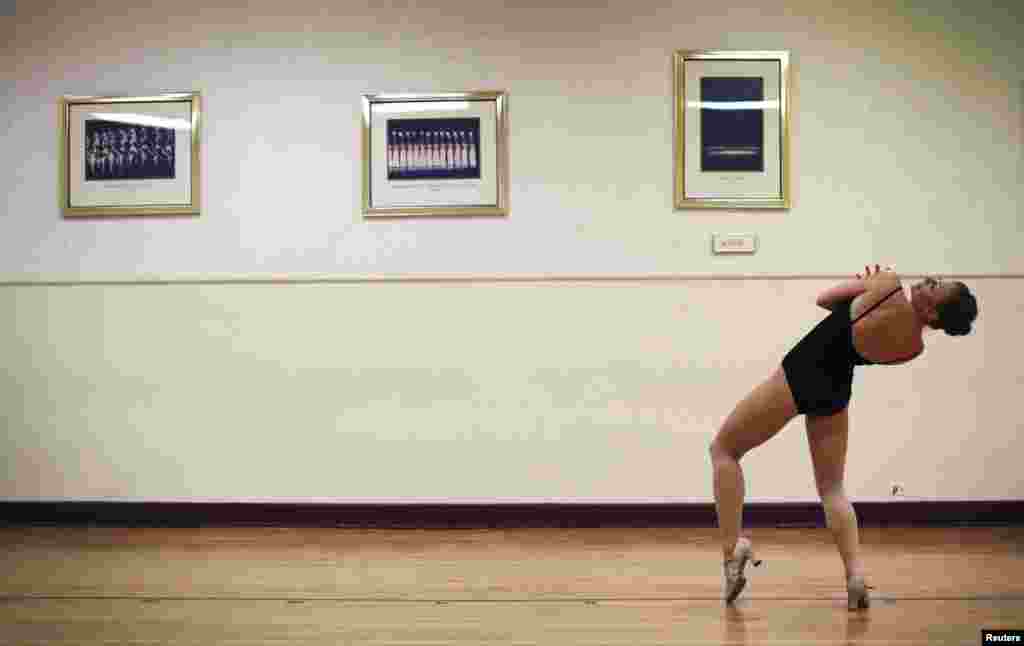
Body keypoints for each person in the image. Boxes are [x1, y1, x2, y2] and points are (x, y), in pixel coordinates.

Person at [708, 265, 978, 609]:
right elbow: (863, 341)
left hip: (803, 371)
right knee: (832, 489)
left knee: (724, 450)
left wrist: (867, 284)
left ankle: (732, 556)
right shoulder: (913, 348)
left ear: (932, 310)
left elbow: (825, 300)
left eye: (936, 285)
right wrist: (867, 297)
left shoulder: (889, 283)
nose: (929, 279)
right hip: (836, 389)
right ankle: (855, 577)